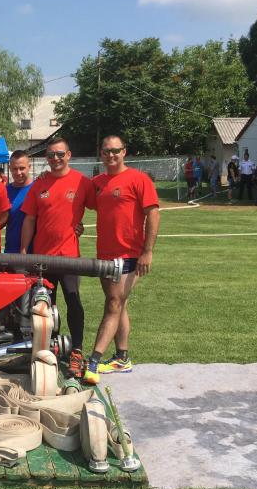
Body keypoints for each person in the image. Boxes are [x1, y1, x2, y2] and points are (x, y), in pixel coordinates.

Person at [83, 135, 160, 385]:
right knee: (119, 304)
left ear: (124, 152)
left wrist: (147, 251)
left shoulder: (139, 179)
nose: (111, 155)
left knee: (114, 304)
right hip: (104, 255)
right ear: (101, 154)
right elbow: (74, 196)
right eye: (106, 151)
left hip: (129, 254)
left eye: (115, 150)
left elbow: (153, 214)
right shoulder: (97, 183)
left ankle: (94, 360)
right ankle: (122, 358)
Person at [20, 137, 95, 377]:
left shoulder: (82, 182)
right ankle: (47, 349)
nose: (55, 159)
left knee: (73, 302)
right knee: (44, 308)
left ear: (69, 155)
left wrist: (79, 226)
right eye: (51, 155)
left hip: (69, 257)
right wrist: (24, 251)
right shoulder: (40, 184)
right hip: (43, 260)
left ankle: (76, 351)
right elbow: (30, 219)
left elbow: (101, 206)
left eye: (60, 154)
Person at [4, 149, 34, 253]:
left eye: (22, 168)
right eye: (15, 169)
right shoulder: (5, 191)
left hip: (36, 252)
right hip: (11, 250)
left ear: (29, 167)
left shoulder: (38, 188)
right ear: (9, 169)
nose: (18, 173)